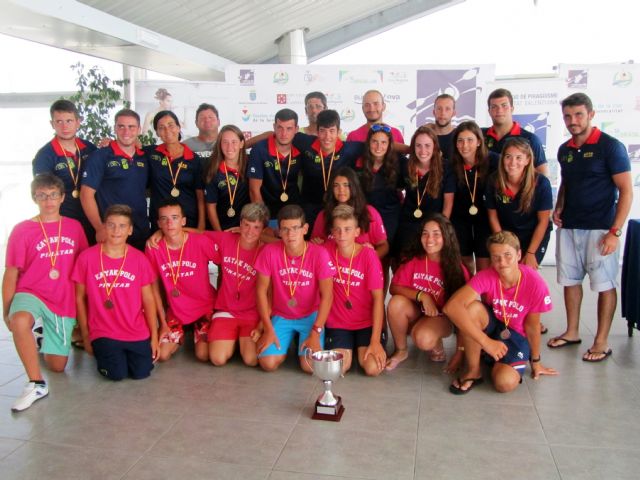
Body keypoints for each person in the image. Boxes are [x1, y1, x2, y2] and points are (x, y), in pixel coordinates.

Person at [548, 93, 632, 362]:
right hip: (570, 227)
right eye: (568, 116)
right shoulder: (565, 150)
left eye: (578, 115)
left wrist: (615, 232)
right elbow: (566, 183)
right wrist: (559, 206)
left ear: (591, 114)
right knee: (570, 282)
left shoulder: (611, 147)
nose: (573, 121)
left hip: (600, 228)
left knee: (604, 285)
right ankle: (572, 332)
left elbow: (627, 191)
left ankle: (602, 340)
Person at [3, 174, 88, 411]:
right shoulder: (23, 230)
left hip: (62, 298)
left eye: (53, 195)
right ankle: (36, 383)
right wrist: (7, 309)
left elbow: (83, 267)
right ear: (34, 198)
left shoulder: (74, 227)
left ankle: (40, 340)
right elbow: (11, 273)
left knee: (58, 365)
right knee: (20, 321)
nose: (48, 200)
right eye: (42, 195)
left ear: (62, 197)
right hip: (31, 291)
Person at [443, 231, 557, 394]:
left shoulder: (535, 284)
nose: (502, 262)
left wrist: (536, 361)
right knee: (471, 309)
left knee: (504, 384)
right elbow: (451, 307)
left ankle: (495, 360)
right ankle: (474, 371)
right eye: (496, 257)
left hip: (517, 336)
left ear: (519, 255)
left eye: (507, 255)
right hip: (494, 326)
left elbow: (532, 326)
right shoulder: (487, 275)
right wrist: (486, 341)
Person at [73, 205, 158, 381]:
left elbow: (148, 299)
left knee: (141, 373)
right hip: (103, 331)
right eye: (111, 225)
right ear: (104, 227)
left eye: (122, 226)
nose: (116, 230)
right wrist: (86, 335)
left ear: (130, 230)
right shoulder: (86, 258)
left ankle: (122, 355)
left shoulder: (139, 259)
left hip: (135, 330)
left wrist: (154, 337)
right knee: (116, 374)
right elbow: (79, 298)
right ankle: (109, 355)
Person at [253, 205, 336, 372]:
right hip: (281, 314)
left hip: (310, 315)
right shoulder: (269, 251)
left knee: (310, 366)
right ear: (279, 231)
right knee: (268, 364)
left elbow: (328, 296)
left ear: (305, 229)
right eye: (285, 229)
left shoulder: (319, 254)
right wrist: (268, 329)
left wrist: (316, 331)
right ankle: (288, 340)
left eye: (295, 228)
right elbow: (261, 292)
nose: (290, 234)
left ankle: (303, 340)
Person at [386, 214, 467, 372]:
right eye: (425, 233)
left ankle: (435, 340)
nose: (429, 239)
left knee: (423, 339)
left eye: (436, 234)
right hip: (418, 312)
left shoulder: (457, 269)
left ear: (446, 236)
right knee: (395, 303)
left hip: (442, 318)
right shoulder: (414, 259)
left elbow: (464, 313)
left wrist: (459, 353)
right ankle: (401, 350)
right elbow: (394, 288)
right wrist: (422, 296)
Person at [145, 199, 217, 363]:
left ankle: (194, 332)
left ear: (183, 221)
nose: (170, 223)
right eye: (164, 219)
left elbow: (224, 263)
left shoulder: (199, 241)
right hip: (176, 311)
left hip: (204, 308)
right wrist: (162, 322)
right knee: (162, 355)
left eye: (175, 218)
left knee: (203, 355)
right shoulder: (153, 248)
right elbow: (153, 288)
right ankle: (183, 334)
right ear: (158, 223)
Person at [323, 205, 386, 376]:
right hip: (338, 323)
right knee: (339, 368)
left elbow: (378, 299)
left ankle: (364, 348)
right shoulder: (325, 251)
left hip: (366, 323)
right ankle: (351, 352)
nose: (342, 234)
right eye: (338, 229)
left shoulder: (368, 255)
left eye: (347, 229)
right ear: (332, 232)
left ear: (357, 232)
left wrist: (375, 340)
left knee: (373, 369)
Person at [208, 203, 269, 366]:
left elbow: (284, 242)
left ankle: (238, 342)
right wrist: (159, 232)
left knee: (251, 360)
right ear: (240, 223)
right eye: (246, 225)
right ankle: (231, 341)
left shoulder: (267, 251)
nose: (250, 231)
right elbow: (199, 235)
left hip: (251, 313)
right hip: (226, 310)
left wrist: (262, 324)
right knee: (217, 359)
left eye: (256, 227)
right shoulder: (226, 238)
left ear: (263, 230)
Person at [81, 108, 150, 250]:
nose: (126, 132)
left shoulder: (144, 156)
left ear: (139, 129)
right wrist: (100, 228)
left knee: (138, 271)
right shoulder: (100, 156)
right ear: (115, 128)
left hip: (140, 231)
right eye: (121, 127)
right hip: (112, 232)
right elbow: (86, 195)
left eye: (131, 127)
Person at [33, 99, 97, 242]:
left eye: (69, 121)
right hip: (63, 220)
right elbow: (43, 193)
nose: (65, 126)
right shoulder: (45, 155)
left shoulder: (90, 148)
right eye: (59, 122)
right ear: (52, 124)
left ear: (78, 122)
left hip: (92, 218)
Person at [486, 137, 553, 269]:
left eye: (518, 157)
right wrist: (503, 244)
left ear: (527, 160)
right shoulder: (493, 181)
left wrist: (530, 252)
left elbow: (543, 221)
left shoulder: (541, 183)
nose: (512, 162)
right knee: (504, 271)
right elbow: (492, 216)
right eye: (508, 157)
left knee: (526, 272)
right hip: (506, 233)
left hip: (533, 235)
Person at [294, 110, 363, 229]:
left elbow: (376, 144)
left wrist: (407, 150)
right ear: (317, 131)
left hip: (338, 207)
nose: (327, 137)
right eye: (322, 131)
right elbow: (275, 134)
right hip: (310, 207)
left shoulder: (349, 149)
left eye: (332, 131)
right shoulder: (305, 143)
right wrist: (249, 144)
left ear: (339, 132)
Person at [395, 125, 454, 257]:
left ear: (435, 147)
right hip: (408, 223)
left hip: (433, 223)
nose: (423, 150)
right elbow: (389, 145)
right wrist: (407, 149)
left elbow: (448, 203)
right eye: (418, 145)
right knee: (404, 263)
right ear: (412, 147)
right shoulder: (406, 165)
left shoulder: (445, 167)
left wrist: (441, 228)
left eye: (427, 145)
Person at [449, 121, 497, 274]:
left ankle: (484, 298)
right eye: (460, 141)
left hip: (485, 219)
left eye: (470, 140)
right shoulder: (451, 165)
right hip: (460, 220)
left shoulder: (494, 161)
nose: (464, 145)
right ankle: (468, 297)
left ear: (478, 142)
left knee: (484, 266)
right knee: (465, 265)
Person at [311, 167, 388, 259]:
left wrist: (371, 256)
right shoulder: (324, 215)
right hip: (332, 269)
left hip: (360, 269)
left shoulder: (369, 213)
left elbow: (384, 246)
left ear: (354, 187)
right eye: (336, 185)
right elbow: (314, 244)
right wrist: (315, 245)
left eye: (346, 185)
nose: (341, 190)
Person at [146, 110, 205, 231]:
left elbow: (200, 196)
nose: (167, 131)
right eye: (161, 127)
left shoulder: (194, 159)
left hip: (187, 221)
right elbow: (130, 145)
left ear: (178, 127)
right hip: (161, 222)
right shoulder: (151, 154)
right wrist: (109, 142)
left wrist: (201, 225)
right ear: (157, 132)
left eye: (171, 125)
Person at [248, 109, 303, 222]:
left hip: (294, 213)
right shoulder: (260, 150)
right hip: (267, 213)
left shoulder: (301, 148)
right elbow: (254, 190)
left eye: (289, 128)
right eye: (280, 127)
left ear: (296, 129)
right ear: (274, 127)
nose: (284, 134)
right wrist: (263, 220)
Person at [483, 88, 549, 176]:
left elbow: (543, 175)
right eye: (494, 107)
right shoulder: (480, 136)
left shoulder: (530, 139)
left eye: (504, 105)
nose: (499, 110)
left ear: (512, 108)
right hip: (486, 189)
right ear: (489, 111)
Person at [356, 124, 403, 248]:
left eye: (383, 142)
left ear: (389, 145)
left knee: (386, 254)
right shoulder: (358, 161)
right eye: (374, 142)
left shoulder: (399, 163)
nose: (378, 147)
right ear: (368, 143)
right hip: (365, 216)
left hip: (390, 217)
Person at [205, 125, 251, 231]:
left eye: (234, 142)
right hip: (222, 228)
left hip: (245, 229)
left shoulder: (250, 165)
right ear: (219, 145)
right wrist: (220, 234)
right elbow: (211, 207)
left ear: (241, 143)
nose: (229, 147)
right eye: (225, 142)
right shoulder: (213, 170)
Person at [431, 93, 456, 160]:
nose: (443, 113)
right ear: (434, 112)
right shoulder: (425, 136)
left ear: (454, 113)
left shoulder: (459, 136)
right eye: (439, 108)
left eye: (447, 109)